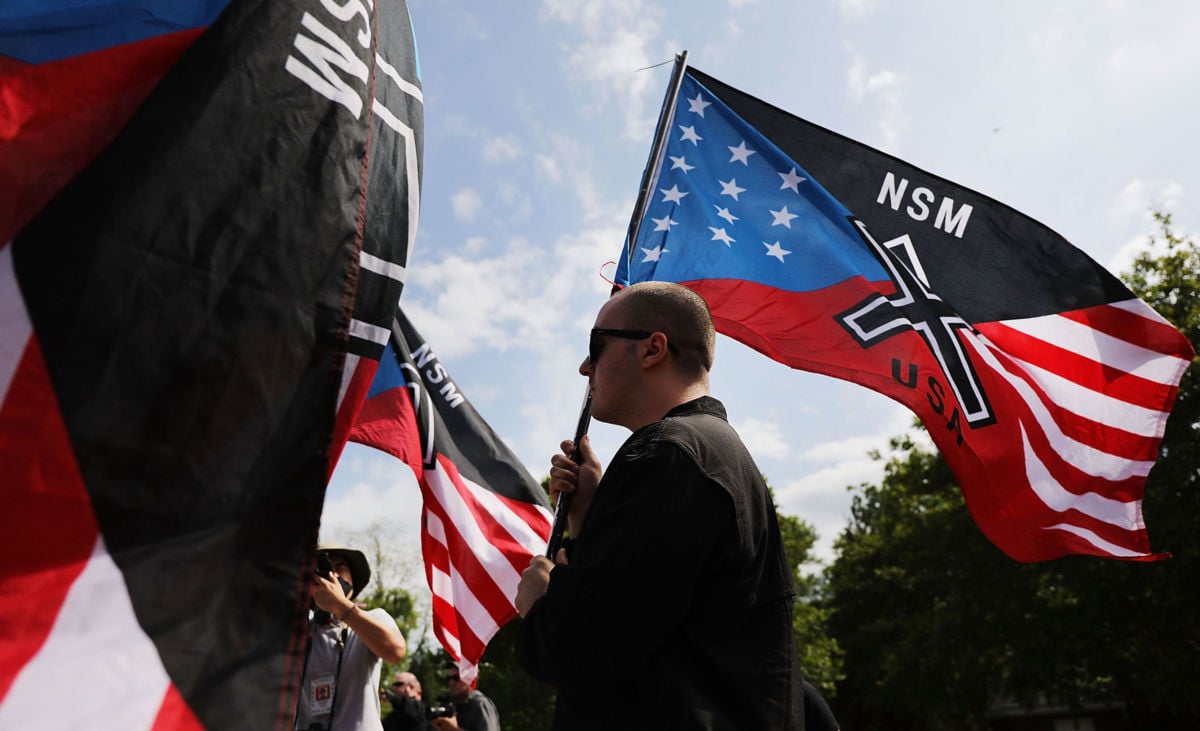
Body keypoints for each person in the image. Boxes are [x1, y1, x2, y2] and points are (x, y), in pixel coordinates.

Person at [515, 281, 809, 729]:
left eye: (596, 347)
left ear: (652, 349)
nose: (583, 367)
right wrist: (588, 517)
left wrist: (540, 602)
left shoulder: (667, 455)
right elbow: (657, 618)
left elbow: (579, 650)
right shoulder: (710, 451)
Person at [295, 543, 408, 731]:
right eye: (323, 568)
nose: (332, 575)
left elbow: (395, 651)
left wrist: (340, 606)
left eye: (339, 567)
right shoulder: (300, 634)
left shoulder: (374, 618)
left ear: (353, 582)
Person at [428, 667, 500, 731]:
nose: (451, 682)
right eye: (449, 678)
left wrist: (454, 729)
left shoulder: (480, 703)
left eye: (457, 678)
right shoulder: (458, 706)